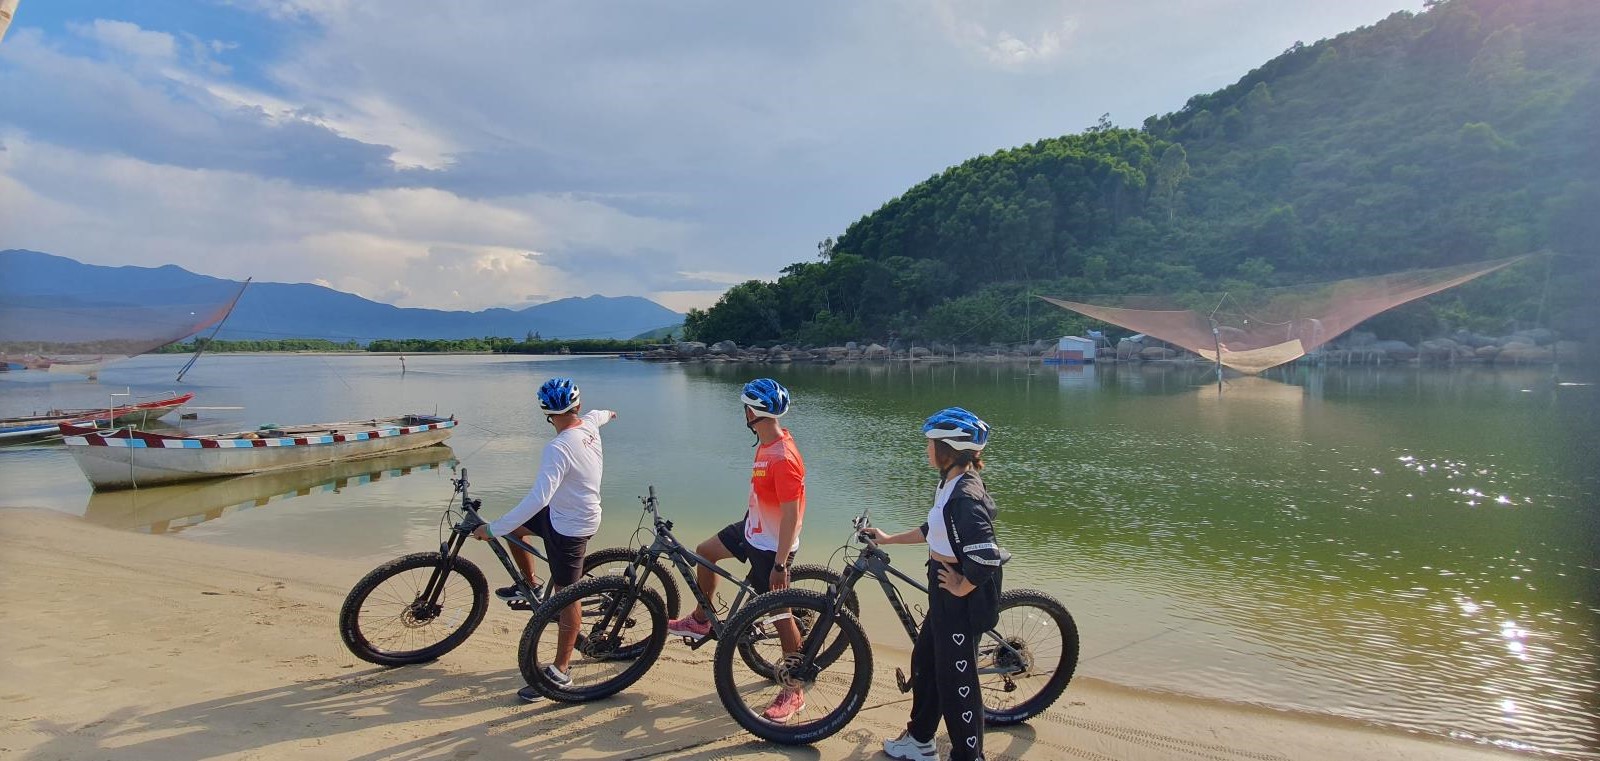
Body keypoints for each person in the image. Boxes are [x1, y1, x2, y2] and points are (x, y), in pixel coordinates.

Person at [862, 407, 1008, 761]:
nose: (926, 449)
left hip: (958, 598)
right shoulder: (950, 482)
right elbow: (934, 529)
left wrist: (963, 584)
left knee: (957, 684)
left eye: (930, 443)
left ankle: (969, 755)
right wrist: (888, 538)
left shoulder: (965, 496)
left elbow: (988, 555)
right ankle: (921, 739)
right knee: (926, 662)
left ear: (948, 448)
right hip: (943, 589)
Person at [665, 378, 808, 723]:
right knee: (704, 552)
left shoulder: (783, 457)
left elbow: (791, 514)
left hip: (772, 547)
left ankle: (795, 689)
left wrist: (779, 564)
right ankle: (702, 620)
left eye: (744, 407)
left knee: (780, 615)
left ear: (751, 412)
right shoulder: (767, 442)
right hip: (751, 529)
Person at [471, 377, 615, 704]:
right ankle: (531, 584)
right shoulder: (589, 424)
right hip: (563, 513)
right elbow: (601, 414)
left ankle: (563, 670)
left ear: (546, 413)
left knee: (566, 597)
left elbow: (538, 498)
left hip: (572, 525)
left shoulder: (558, 447)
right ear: (576, 406)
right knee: (516, 529)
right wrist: (611, 413)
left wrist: (492, 528)